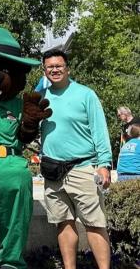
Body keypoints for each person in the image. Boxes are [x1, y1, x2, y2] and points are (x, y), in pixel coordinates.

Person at [38, 49, 112, 269]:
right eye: (50, 67)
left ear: (67, 68)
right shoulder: (41, 97)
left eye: (59, 66)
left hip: (82, 168)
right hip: (53, 171)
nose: (55, 70)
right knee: (63, 223)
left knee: (95, 224)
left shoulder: (85, 94)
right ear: (44, 70)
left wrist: (104, 164)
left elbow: (100, 130)